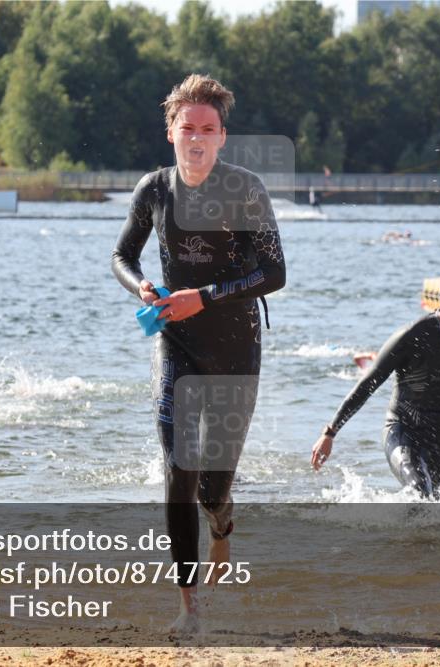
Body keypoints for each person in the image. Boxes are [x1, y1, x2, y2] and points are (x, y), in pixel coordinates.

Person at [111, 74, 286, 633]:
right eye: (187, 127)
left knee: (214, 486)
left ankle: (224, 526)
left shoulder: (246, 189)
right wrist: (140, 285)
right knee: (178, 469)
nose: (197, 137)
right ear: (171, 132)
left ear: (222, 137)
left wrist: (203, 297)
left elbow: (274, 273)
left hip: (237, 351)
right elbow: (122, 256)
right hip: (177, 345)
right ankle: (187, 607)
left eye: (207, 129)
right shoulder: (154, 190)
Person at [310, 268, 440, 500]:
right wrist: (330, 432)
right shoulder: (414, 335)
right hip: (402, 429)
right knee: (420, 491)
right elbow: (369, 382)